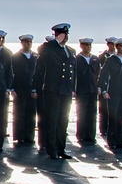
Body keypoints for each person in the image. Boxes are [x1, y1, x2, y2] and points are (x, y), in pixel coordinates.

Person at [32, 23, 76, 159]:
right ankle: (51, 150)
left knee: (63, 121)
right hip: (52, 90)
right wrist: (55, 41)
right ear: (56, 35)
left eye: (66, 34)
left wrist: (73, 88)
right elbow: (41, 50)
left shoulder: (70, 51)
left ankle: (60, 149)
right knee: (52, 121)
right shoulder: (49, 49)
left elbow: (73, 72)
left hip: (65, 90)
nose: (65, 37)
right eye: (62, 34)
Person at [98, 38, 122, 150]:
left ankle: (121, 141)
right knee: (113, 117)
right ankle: (112, 141)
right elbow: (103, 75)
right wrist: (104, 90)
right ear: (116, 47)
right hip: (114, 92)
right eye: (120, 46)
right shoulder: (111, 60)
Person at [10, 34, 38, 147]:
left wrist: (36, 89)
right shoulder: (15, 57)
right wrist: (12, 88)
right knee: (19, 113)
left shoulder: (36, 56)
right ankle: (19, 136)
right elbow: (11, 73)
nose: (28, 44)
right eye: (26, 42)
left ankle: (29, 136)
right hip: (19, 88)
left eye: (30, 42)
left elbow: (38, 74)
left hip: (32, 89)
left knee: (31, 114)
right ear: (22, 43)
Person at [74, 38, 100, 145]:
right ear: (81, 46)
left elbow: (98, 74)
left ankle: (90, 135)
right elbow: (74, 75)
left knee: (92, 113)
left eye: (89, 45)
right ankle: (81, 135)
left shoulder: (95, 59)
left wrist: (99, 87)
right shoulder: (77, 59)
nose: (88, 47)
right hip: (81, 90)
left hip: (92, 90)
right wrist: (73, 89)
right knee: (81, 113)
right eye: (85, 45)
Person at [97, 37, 115, 140]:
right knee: (103, 109)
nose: (112, 46)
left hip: (114, 87)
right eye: (111, 44)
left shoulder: (117, 57)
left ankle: (111, 129)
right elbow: (100, 73)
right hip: (104, 86)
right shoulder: (102, 57)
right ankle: (103, 129)